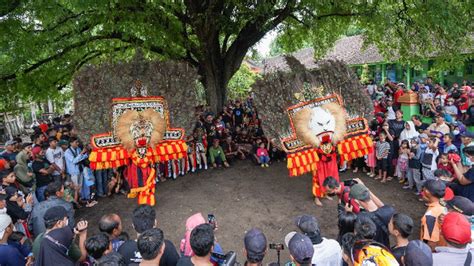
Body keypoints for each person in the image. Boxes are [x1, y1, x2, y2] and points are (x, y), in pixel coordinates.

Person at [348, 181, 394, 247]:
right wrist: (366, 189)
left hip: (371, 249)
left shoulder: (361, 218)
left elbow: (356, 236)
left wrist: (349, 214)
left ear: (357, 201)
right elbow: (382, 205)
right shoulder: (389, 210)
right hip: (385, 246)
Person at [420, 179, 447, 250]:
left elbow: (431, 243)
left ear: (427, 192)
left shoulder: (431, 215)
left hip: (433, 251)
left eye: (423, 189)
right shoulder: (444, 204)